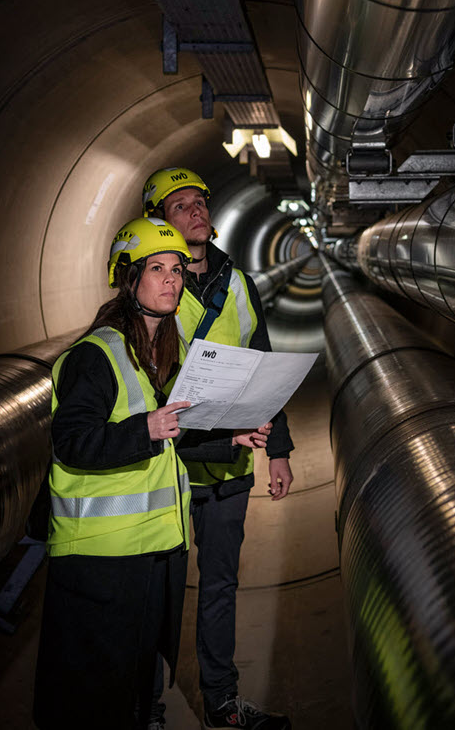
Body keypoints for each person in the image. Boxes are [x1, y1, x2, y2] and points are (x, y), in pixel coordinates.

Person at [33, 216, 271, 730]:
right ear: (128, 278)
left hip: (155, 549)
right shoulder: (96, 356)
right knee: (95, 694)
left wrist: (228, 438)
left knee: (138, 682)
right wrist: (145, 428)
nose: (173, 280)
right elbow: (71, 442)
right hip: (101, 557)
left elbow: (170, 439)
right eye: (157, 268)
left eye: (178, 269)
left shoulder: (165, 351)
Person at [142, 168, 294, 730]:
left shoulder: (237, 282)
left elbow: (262, 362)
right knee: (159, 595)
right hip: (170, 469)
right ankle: (149, 708)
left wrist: (277, 447)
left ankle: (221, 703)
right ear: (159, 221)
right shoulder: (155, 285)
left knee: (221, 588)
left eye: (199, 202)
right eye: (179, 206)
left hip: (229, 466)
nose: (195, 212)